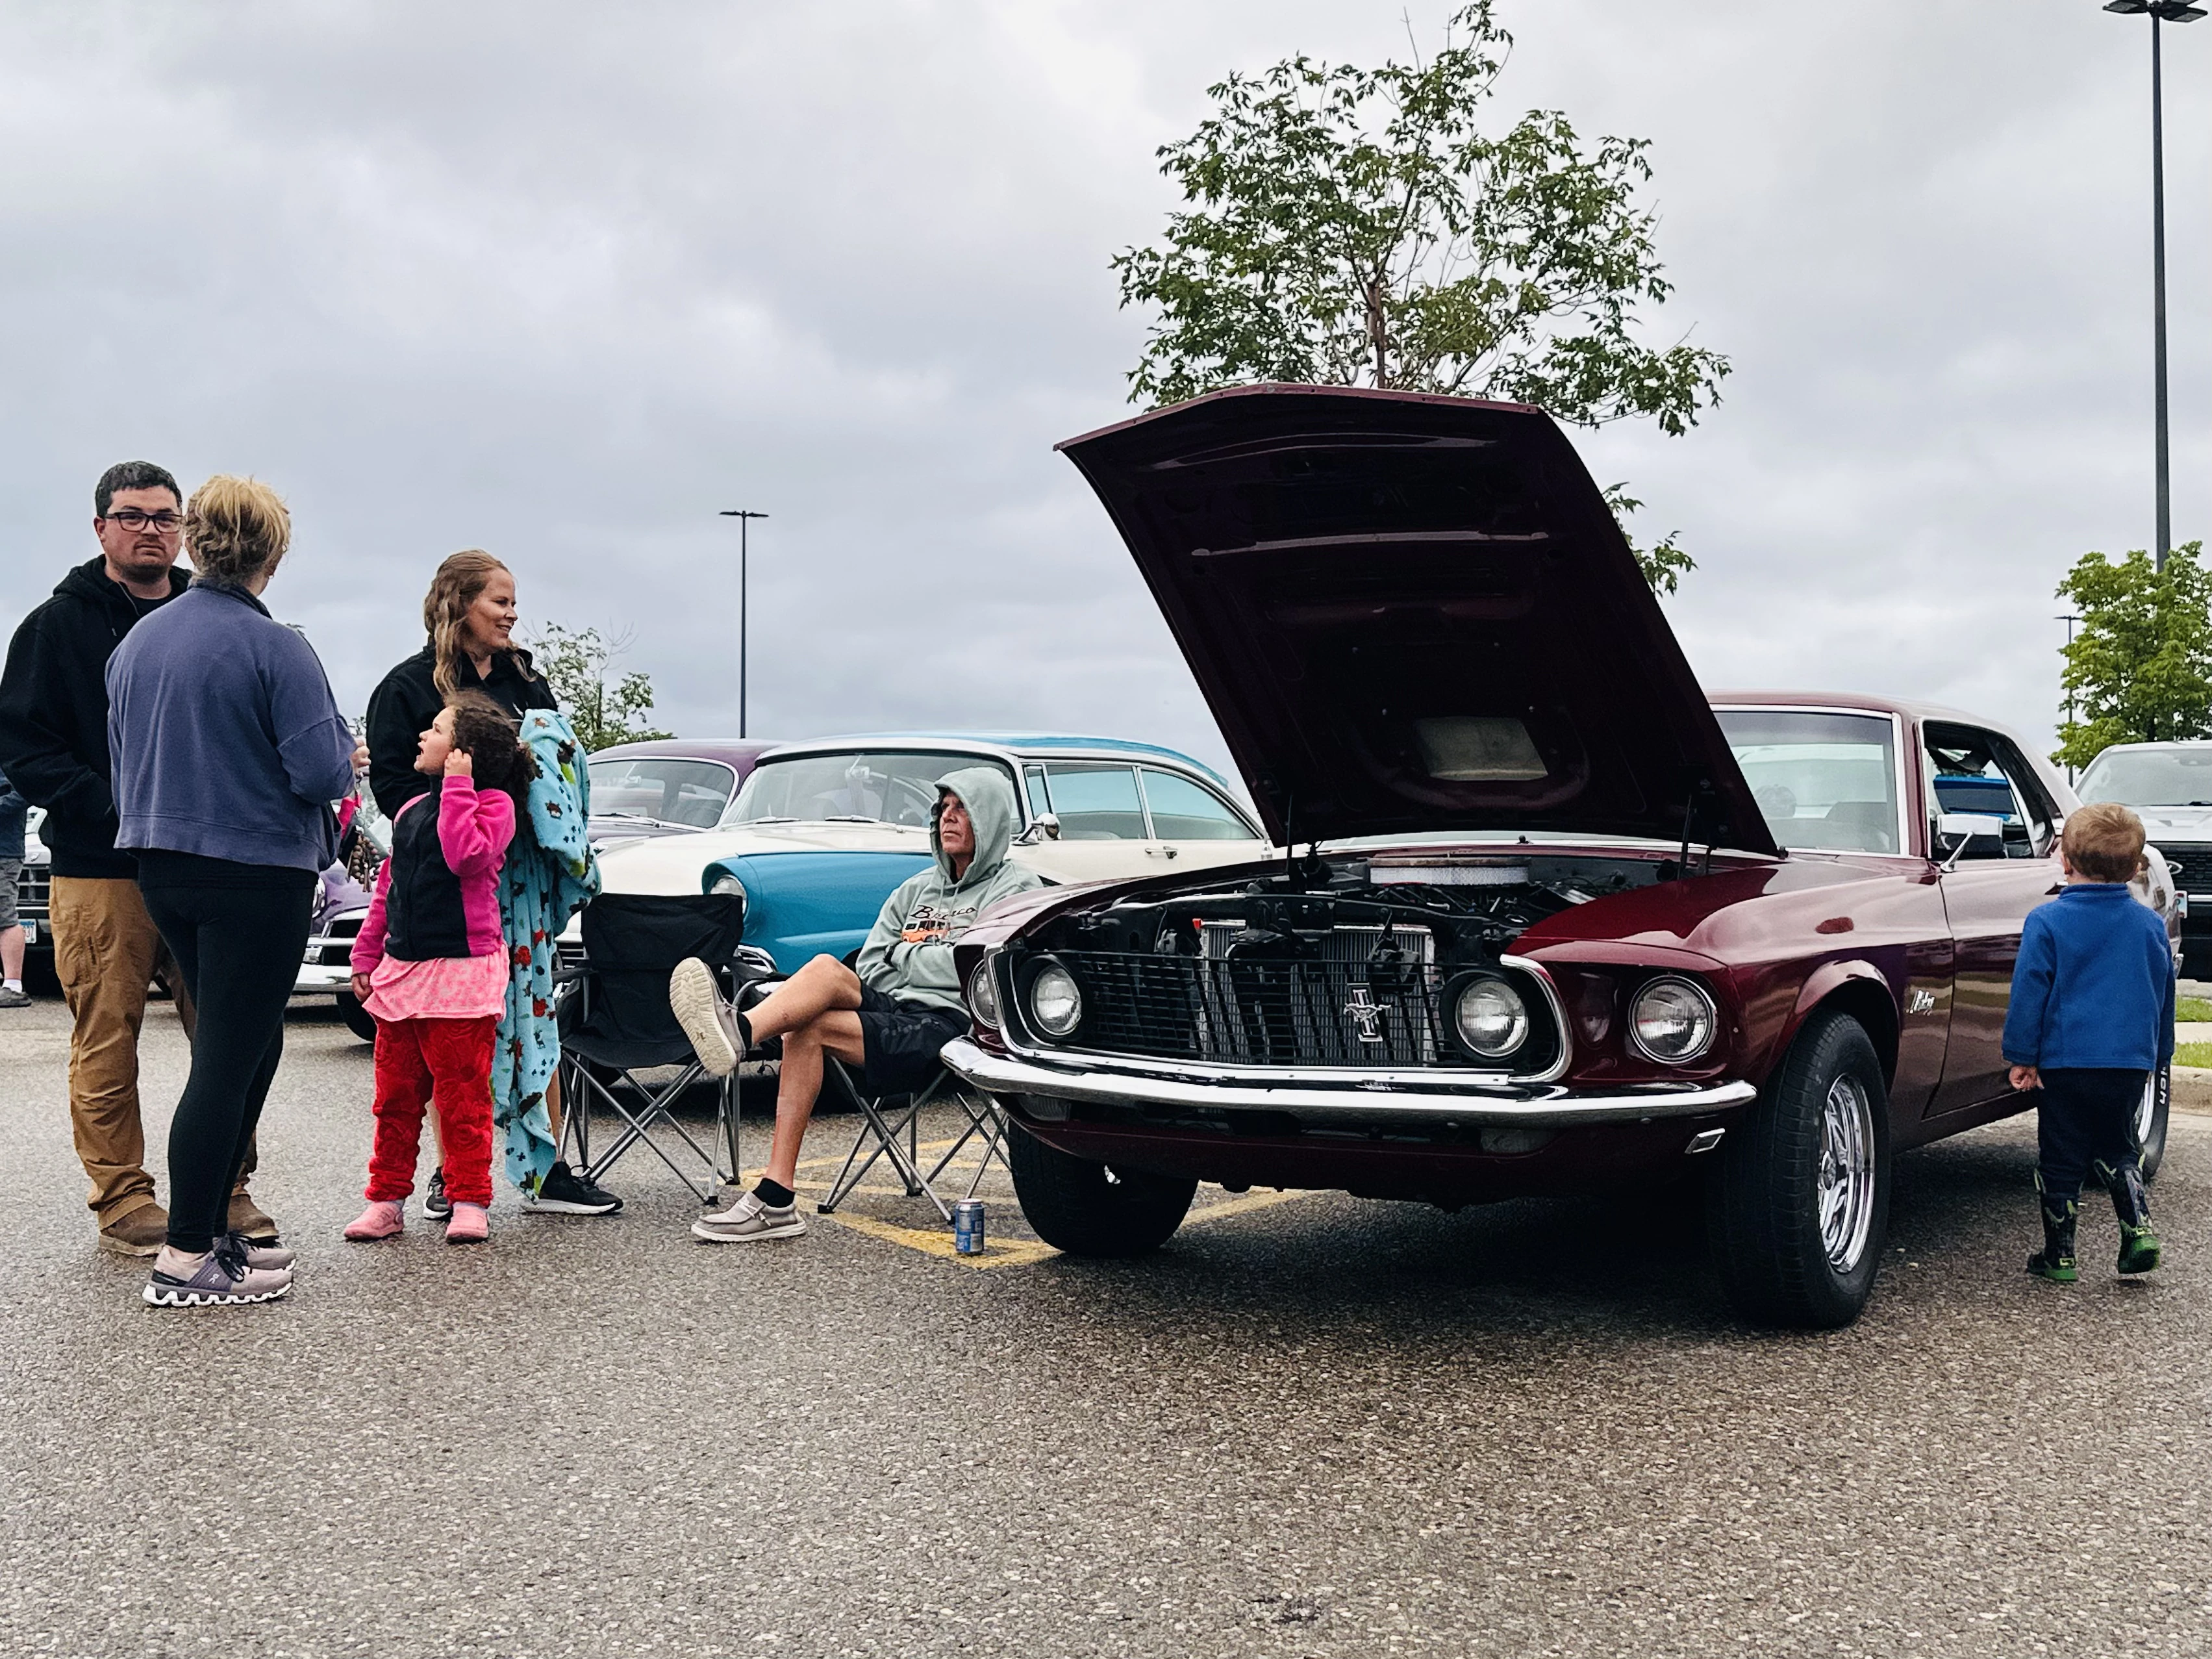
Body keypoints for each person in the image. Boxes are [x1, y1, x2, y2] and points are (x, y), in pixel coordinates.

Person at [0, 461, 275, 1254]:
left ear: (185, 527)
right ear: (101, 528)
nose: (150, 529)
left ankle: (224, 1185)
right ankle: (122, 1195)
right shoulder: (57, 626)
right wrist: (110, 802)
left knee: (226, 1032)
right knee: (106, 1036)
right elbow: (23, 744)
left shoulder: (216, 612)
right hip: (101, 867)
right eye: (132, 516)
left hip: (201, 863)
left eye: (164, 516)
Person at [108, 475, 358, 1308]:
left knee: (247, 1044)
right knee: (227, 1054)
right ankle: (186, 1256)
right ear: (273, 554)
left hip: (162, 863)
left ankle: (212, 1228)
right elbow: (321, 770)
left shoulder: (139, 643)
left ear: (196, 540)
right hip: (255, 869)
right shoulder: (278, 647)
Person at [668, 767, 1040, 1243]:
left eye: (961, 807)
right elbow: (872, 964)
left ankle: (740, 1040)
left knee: (809, 1028)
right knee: (824, 970)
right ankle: (773, 1181)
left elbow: (978, 972)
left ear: (989, 817)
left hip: (954, 1026)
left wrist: (907, 954)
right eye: (942, 808)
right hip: (896, 1007)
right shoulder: (915, 890)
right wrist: (931, 958)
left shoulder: (1016, 890)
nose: (948, 818)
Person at [364, 551, 614, 1218]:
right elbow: (391, 788)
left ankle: (546, 1167)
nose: (510, 613)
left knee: (535, 1015)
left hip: (520, 875)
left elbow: (554, 764)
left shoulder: (525, 679)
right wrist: (451, 816)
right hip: (450, 885)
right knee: (454, 1039)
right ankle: (454, 1173)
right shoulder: (405, 688)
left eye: (512, 602)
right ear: (456, 602)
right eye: (498, 601)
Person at [344, 694, 533, 1246]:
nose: (423, 737)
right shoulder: (407, 811)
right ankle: (385, 1199)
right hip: (405, 969)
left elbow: (463, 857)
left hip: (462, 971)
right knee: (396, 1095)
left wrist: (458, 789)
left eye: (436, 729)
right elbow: (388, 889)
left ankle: (469, 1198)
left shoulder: (495, 806)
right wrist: (366, 954)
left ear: (463, 754)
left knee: (462, 1095)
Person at [2004, 800, 2176, 1284]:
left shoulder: (2047, 921)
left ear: (2065, 861)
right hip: (2127, 1064)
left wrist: (2023, 1056)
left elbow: (2030, 991)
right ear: (2136, 866)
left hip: (2065, 1062)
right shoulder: (2149, 926)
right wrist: (2159, 1055)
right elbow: (2163, 993)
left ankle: (2059, 1255)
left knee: (2061, 1153)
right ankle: (2137, 1226)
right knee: (2118, 1144)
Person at [0, 765, 28, 1009]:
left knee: (5, 918)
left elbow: (25, 792)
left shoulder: (11, 759)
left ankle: (13, 986)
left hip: (3, 852)